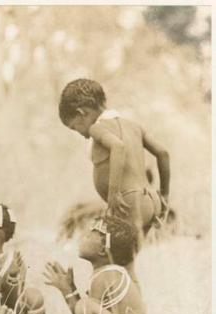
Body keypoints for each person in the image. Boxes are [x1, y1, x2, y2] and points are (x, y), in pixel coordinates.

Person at [58, 79, 170, 254]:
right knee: (129, 258)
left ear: (82, 113)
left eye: (75, 127)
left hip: (130, 202)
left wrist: (113, 193)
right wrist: (164, 195)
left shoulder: (97, 128)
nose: (81, 134)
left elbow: (118, 147)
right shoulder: (134, 126)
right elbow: (163, 153)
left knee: (112, 260)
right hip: (151, 201)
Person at [42, 215, 149, 314]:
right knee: (85, 306)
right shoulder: (107, 273)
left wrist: (70, 293)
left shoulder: (106, 275)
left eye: (87, 237)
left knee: (85, 305)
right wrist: (68, 289)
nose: (81, 238)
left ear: (103, 250)